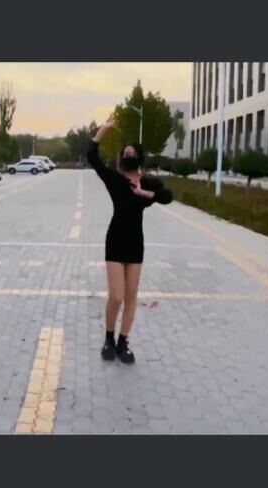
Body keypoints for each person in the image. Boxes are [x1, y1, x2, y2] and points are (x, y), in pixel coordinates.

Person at [87, 115, 173, 364]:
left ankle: (123, 342)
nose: (129, 155)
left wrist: (145, 193)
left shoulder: (147, 183)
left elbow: (168, 196)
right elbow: (93, 157)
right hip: (115, 241)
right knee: (117, 296)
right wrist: (103, 130)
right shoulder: (116, 180)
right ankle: (109, 337)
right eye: (126, 152)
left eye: (133, 153)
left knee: (131, 296)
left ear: (139, 157)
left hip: (136, 243)